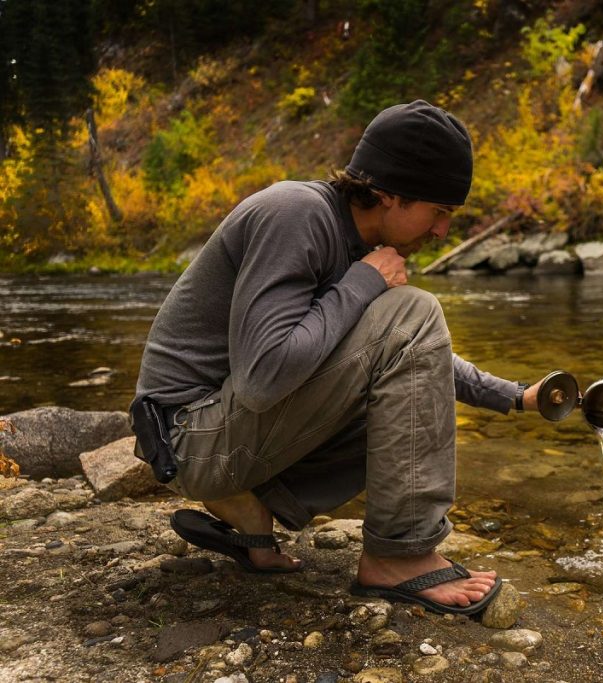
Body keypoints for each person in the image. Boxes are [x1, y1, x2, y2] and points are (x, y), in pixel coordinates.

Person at [131, 100, 544, 614]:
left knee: (406, 347)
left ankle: (255, 513)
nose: (442, 231)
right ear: (389, 194)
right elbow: (263, 377)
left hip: (228, 432)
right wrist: (364, 282)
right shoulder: (295, 214)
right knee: (413, 309)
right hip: (188, 438)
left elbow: (409, 360)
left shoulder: (356, 241)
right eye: (438, 212)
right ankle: (400, 554)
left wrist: (517, 398)